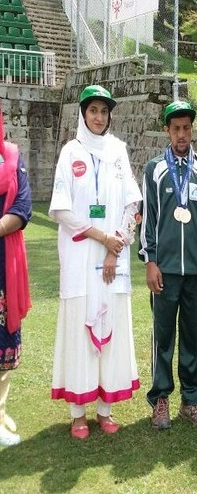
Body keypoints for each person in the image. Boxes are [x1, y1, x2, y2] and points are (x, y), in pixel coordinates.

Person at [50, 85, 142, 439]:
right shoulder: (70, 152)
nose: (99, 117)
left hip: (112, 261)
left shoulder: (118, 151)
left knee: (112, 328)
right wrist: (102, 237)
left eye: (104, 111)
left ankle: (105, 410)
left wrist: (113, 247)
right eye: (93, 111)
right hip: (80, 257)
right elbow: (62, 209)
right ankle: (78, 413)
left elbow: (132, 203)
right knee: (80, 333)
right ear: (83, 114)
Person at [139, 101, 197, 429]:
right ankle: (160, 399)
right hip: (165, 271)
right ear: (167, 131)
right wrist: (150, 261)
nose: (182, 134)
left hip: (196, 271)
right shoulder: (155, 169)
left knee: (192, 334)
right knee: (163, 335)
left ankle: (192, 399)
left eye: (187, 128)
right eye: (176, 129)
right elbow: (148, 219)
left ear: (192, 129)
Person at [0, 109, 32, 446]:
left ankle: (0, 411)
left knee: (2, 346)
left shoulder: (12, 158)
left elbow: (23, 208)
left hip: (3, 266)